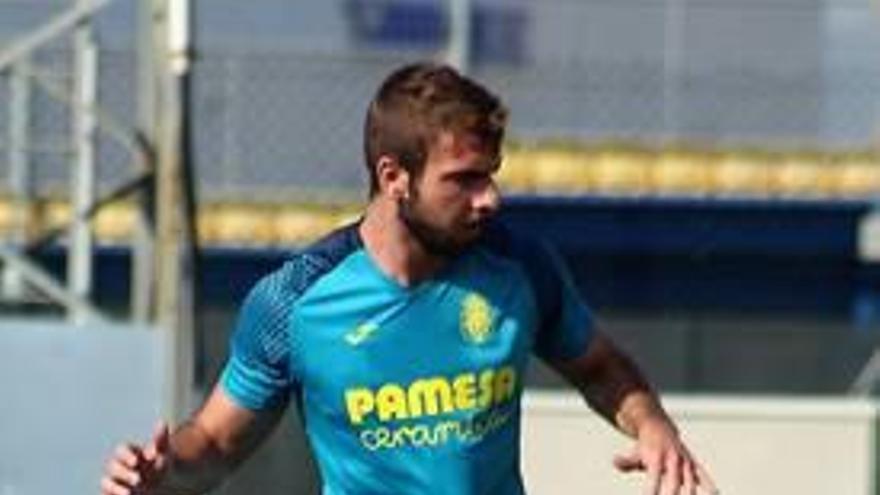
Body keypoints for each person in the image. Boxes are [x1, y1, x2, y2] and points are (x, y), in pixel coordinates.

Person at [100, 62, 718, 495]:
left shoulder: (521, 268)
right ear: (393, 177)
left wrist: (653, 425)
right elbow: (214, 443)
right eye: (465, 179)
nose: (490, 199)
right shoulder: (295, 301)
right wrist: (161, 477)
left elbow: (599, 365)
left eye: (492, 174)